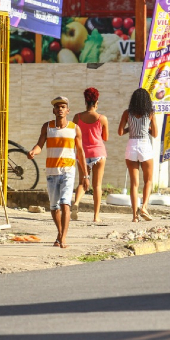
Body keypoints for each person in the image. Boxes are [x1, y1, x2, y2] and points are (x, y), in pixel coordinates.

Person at [27, 96, 89, 248]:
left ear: (68, 111)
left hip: (68, 170)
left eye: (63, 107)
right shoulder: (47, 127)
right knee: (54, 207)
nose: (60, 109)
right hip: (51, 172)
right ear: (53, 110)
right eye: (57, 107)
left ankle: (63, 238)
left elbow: (80, 152)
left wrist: (85, 175)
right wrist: (33, 151)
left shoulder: (75, 128)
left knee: (65, 204)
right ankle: (59, 234)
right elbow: (40, 145)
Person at [118, 88, 158, 223]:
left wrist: (131, 128)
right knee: (148, 180)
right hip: (145, 146)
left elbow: (120, 132)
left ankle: (134, 217)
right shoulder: (150, 113)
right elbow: (155, 134)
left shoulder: (127, 113)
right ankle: (144, 207)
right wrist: (147, 128)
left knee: (134, 183)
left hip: (132, 146)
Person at [72, 87, 109, 222]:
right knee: (97, 185)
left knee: (82, 182)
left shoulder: (77, 117)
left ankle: (76, 203)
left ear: (85, 101)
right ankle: (96, 216)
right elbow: (105, 137)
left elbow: (73, 135)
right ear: (96, 102)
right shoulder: (102, 118)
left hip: (83, 153)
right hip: (98, 152)